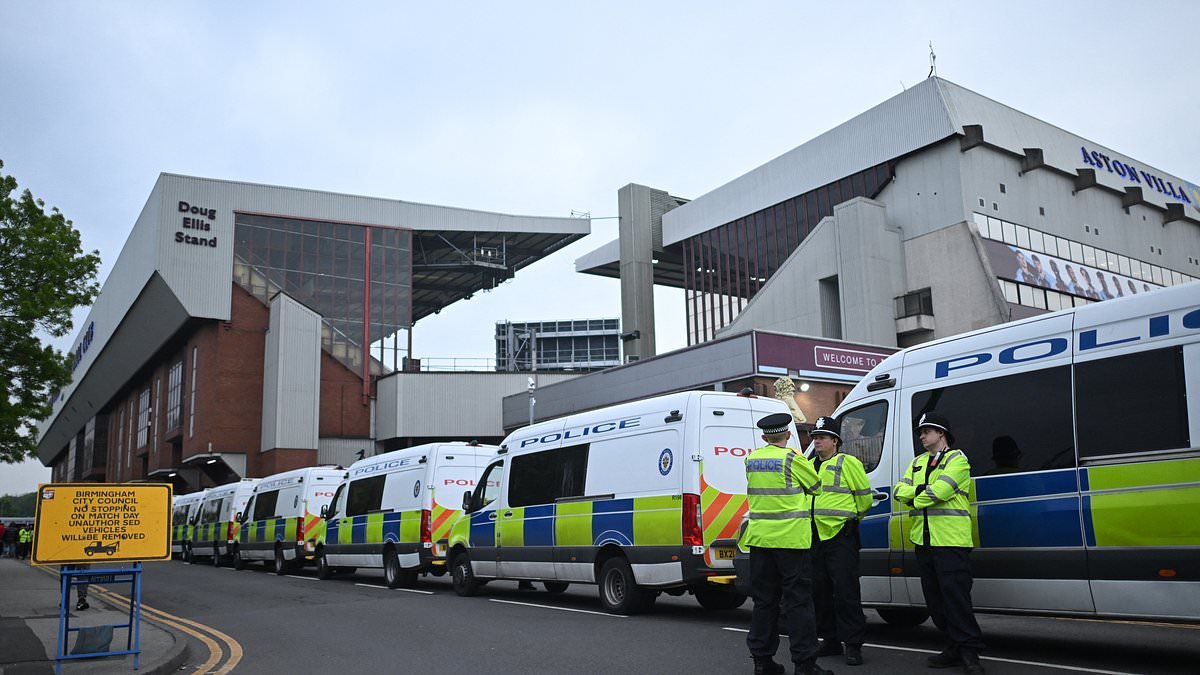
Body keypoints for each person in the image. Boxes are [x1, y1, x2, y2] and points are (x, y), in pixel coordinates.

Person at [894, 413, 985, 674]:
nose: (922, 436)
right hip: (923, 541)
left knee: (956, 599)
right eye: (920, 432)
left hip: (950, 541)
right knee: (935, 602)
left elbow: (939, 492)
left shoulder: (958, 460)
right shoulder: (917, 462)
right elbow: (899, 490)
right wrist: (919, 494)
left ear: (941, 433)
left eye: (927, 431)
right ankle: (953, 647)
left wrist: (916, 495)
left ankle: (969, 651)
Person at [743, 412, 829, 675]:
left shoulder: (751, 459)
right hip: (791, 541)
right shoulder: (793, 458)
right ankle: (804, 664)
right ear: (788, 435)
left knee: (764, 603)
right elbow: (816, 486)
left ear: (764, 436)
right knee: (798, 603)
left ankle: (762, 662)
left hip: (759, 541)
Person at [809, 417, 873, 667]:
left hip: (840, 536)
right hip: (814, 536)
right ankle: (830, 639)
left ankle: (853, 644)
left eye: (822, 436)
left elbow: (864, 499)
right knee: (819, 590)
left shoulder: (849, 463)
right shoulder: (808, 465)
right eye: (815, 436)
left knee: (846, 592)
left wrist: (850, 520)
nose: (817, 440)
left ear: (835, 441)